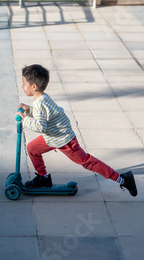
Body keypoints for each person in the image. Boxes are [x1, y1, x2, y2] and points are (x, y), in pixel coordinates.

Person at [16, 64, 137, 197]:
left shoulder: (40, 103)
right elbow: (45, 117)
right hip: (53, 136)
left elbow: (41, 126)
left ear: (34, 87)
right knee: (32, 148)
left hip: (64, 140)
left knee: (86, 162)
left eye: (24, 83)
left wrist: (24, 118)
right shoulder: (42, 98)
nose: (22, 86)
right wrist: (29, 110)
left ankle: (122, 179)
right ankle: (43, 178)